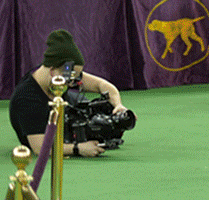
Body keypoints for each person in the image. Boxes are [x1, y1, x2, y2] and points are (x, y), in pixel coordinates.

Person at [9, 30, 125, 158]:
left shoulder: (60, 73)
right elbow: (39, 147)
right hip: (47, 132)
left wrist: (118, 106)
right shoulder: (27, 99)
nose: (72, 84)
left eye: (75, 78)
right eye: (69, 79)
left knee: (103, 107)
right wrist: (78, 148)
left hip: (68, 111)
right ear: (52, 71)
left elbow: (103, 85)